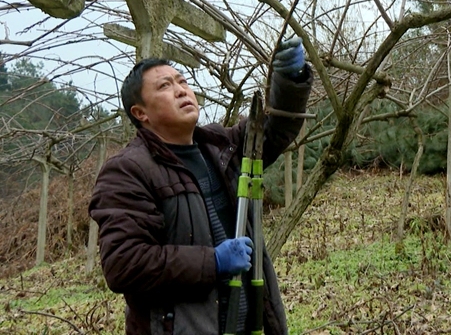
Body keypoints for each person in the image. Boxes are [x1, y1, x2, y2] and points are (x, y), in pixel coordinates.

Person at [89, 36, 312, 335]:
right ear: (140, 113)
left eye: (182, 81)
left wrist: (289, 80)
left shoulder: (221, 146)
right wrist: (213, 262)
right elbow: (124, 264)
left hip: (253, 324)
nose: (181, 90)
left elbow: (271, 130)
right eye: (164, 86)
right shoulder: (127, 171)